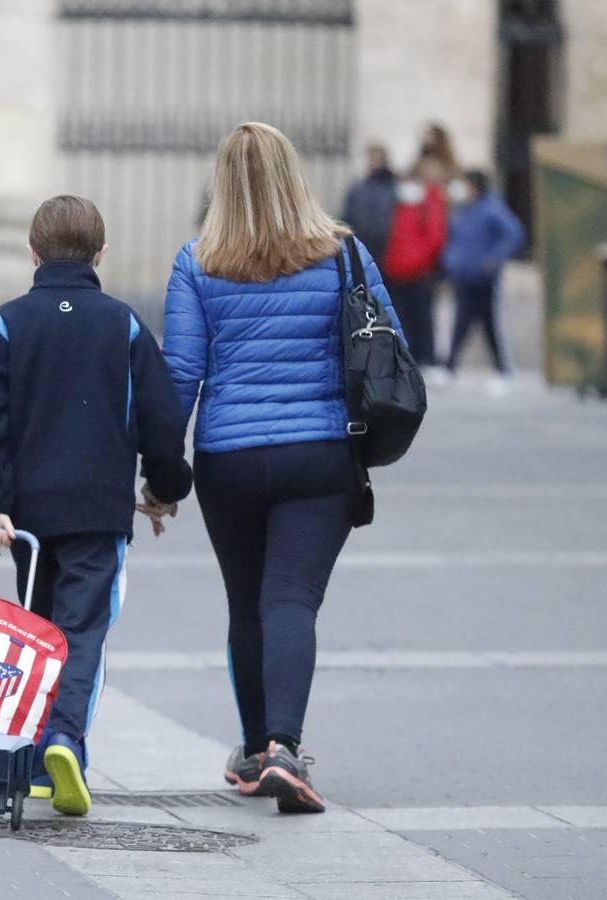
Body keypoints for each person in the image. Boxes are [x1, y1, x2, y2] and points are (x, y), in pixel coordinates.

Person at [160, 123, 404, 814]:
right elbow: (388, 345)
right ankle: (283, 749)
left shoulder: (196, 260)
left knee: (246, 604)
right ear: (295, 175)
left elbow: (180, 373)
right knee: (290, 598)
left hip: (228, 458)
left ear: (221, 185)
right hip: (318, 452)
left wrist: (158, 473)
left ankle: (252, 753)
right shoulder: (343, 253)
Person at [0, 195, 192, 817]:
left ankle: (44, 755)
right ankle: (62, 738)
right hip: (98, 510)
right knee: (83, 629)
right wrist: (166, 487)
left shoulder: (8, 323)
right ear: (102, 253)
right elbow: (161, 418)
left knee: (39, 629)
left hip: (26, 519)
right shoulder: (121, 323)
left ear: (32, 252)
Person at [442, 169, 525, 389]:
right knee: (467, 323)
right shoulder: (461, 211)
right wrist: (450, 262)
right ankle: (457, 367)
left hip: (483, 278)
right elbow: (454, 240)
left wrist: (493, 259)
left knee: (480, 323)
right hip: (464, 276)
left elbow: (514, 233)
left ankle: (497, 369)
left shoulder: (491, 209)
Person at [382, 154, 448, 367]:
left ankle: (423, 357)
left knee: (421, 317)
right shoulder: (407, 199)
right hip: (399, 266)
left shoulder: (430, 200)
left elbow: (434, 236)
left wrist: (418, 260)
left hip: (417, 268)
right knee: (404, 316)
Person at [339, 143, 396, 263]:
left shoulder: (392, 186)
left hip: (385, 246)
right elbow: (348, 215)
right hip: (362, 241)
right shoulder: (358, 187)